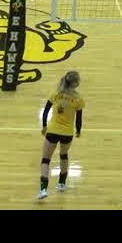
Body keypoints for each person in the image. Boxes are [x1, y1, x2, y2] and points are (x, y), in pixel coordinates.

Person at [37, 71, 85, 201]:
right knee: (64, 156)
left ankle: (43, 189)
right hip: (67, 133)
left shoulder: (55, 94)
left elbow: (46, 111)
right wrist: (78, 131)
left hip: (52, 131)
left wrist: (44, 126)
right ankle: (62, 184)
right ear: (75, 83)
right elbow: (79, 119)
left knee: (46, 160)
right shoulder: (78, 99)